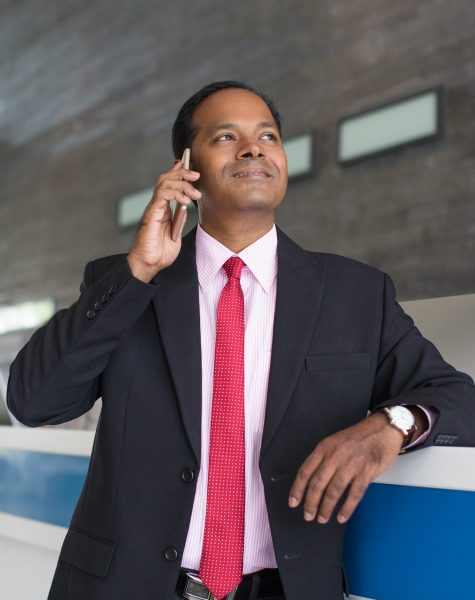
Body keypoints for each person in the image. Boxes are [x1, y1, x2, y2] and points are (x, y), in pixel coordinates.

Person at [7, 81, 475, 600]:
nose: (254, 148)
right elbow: (34, 402)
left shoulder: (354, 293)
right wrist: (137, 271)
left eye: (268, 136)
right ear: (187, 167)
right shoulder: (127, 285)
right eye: (227, 136)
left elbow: (456, 397)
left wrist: (389, 425)